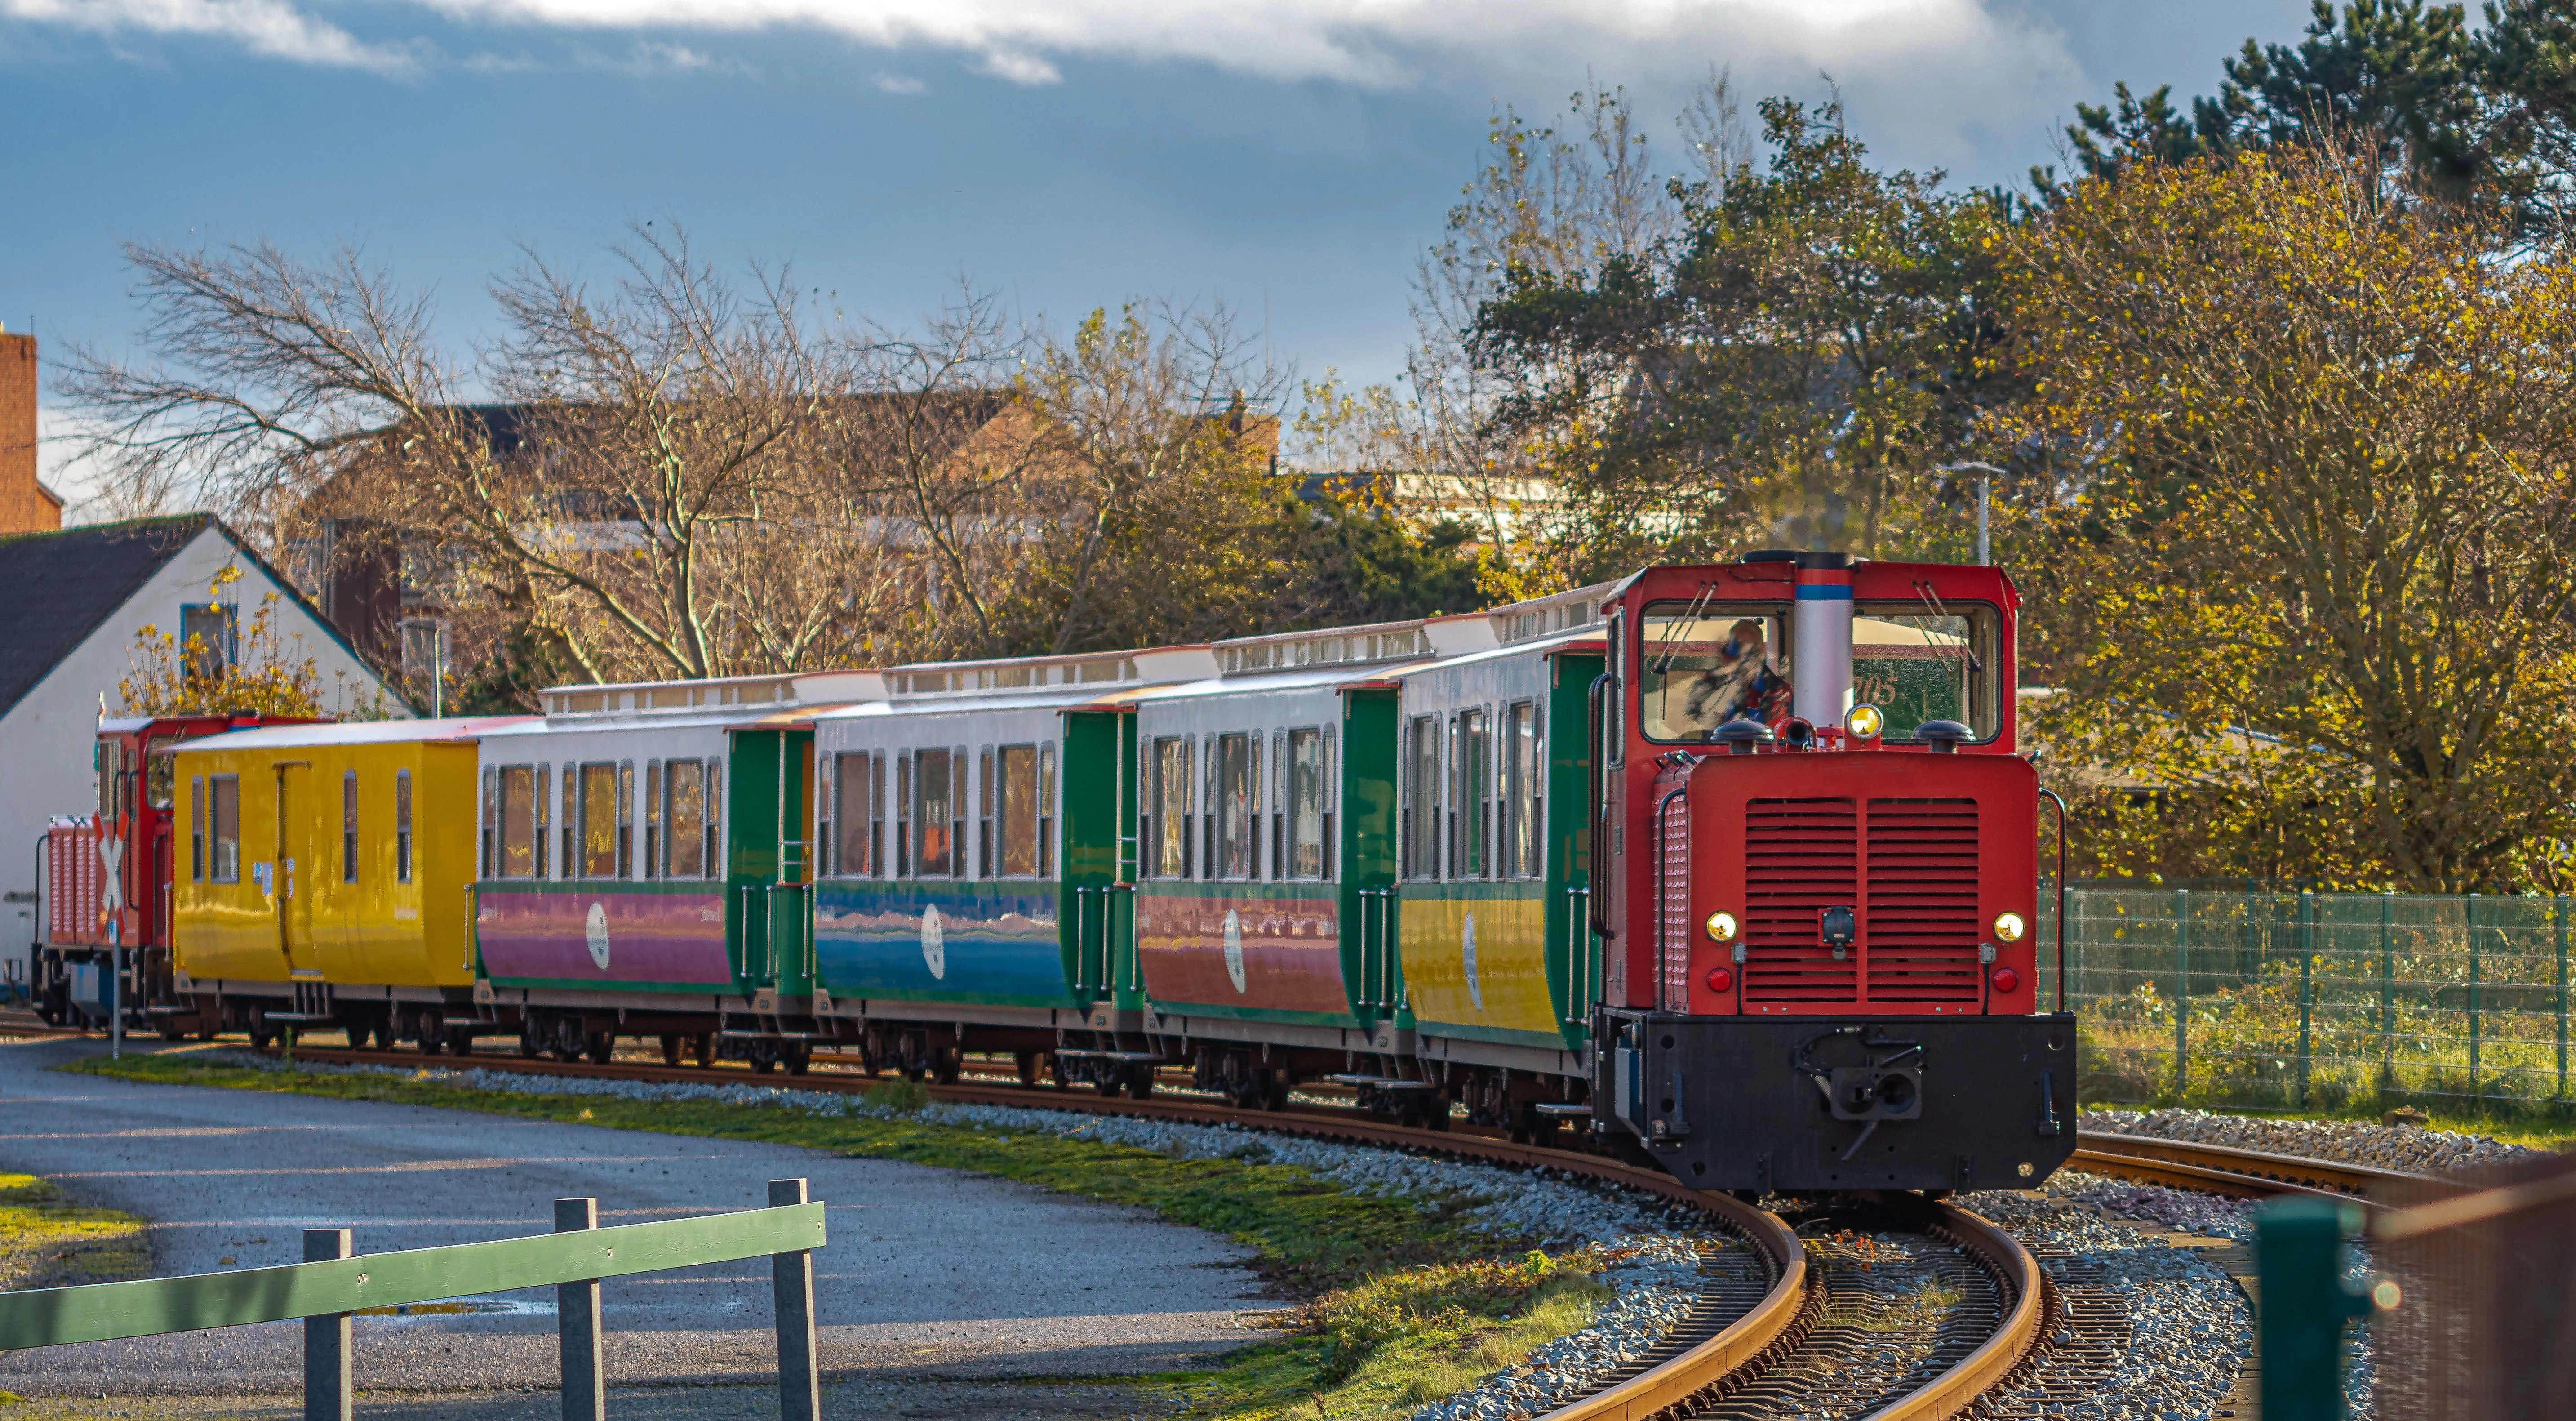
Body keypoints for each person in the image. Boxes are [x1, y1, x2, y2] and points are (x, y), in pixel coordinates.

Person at [1683, 619, 1790, 731]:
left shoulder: (1779, 690)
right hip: (1713, 746)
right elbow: (1691, 721)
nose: (1744, 655)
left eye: (1750, 649)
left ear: (1760, 650)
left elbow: (1777, 732)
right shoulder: (1710, 682)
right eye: (1737, 646)